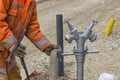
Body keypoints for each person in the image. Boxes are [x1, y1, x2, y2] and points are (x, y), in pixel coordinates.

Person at [0, 0, 60, 80]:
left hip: (8, 56)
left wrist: (46, 46)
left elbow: (32, 28)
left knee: (15, 77)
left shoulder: (30, 2)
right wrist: (11, 43)